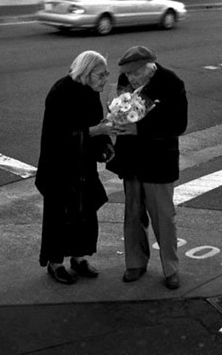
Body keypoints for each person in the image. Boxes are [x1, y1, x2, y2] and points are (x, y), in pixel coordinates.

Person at [106, 46, 188, 290]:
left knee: (163, 217)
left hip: (159, 160)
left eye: (135, 74)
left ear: (150, 67)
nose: (130, 79)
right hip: (132, 158)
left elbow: (178, 125)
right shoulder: (125, 80)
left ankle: (171, 268)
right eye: (128, 74)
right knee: (133, 213)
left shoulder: (171, 82)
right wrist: (116, 120)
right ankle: (135, 263)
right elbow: (122, 110)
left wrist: (139, 129)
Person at [36, 50, 119, 285]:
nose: (105, 79)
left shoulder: (91, 93)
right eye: (101, 75)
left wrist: (105, 144)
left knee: (85, 213)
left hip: (83, 164)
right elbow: (58, 135)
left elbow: (96, 123)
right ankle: (56, 263)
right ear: (87, 72)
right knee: (59, 216)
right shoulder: (61, 91)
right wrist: (97, 132)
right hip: (59, 166)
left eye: (106, 74)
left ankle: (78, 258)